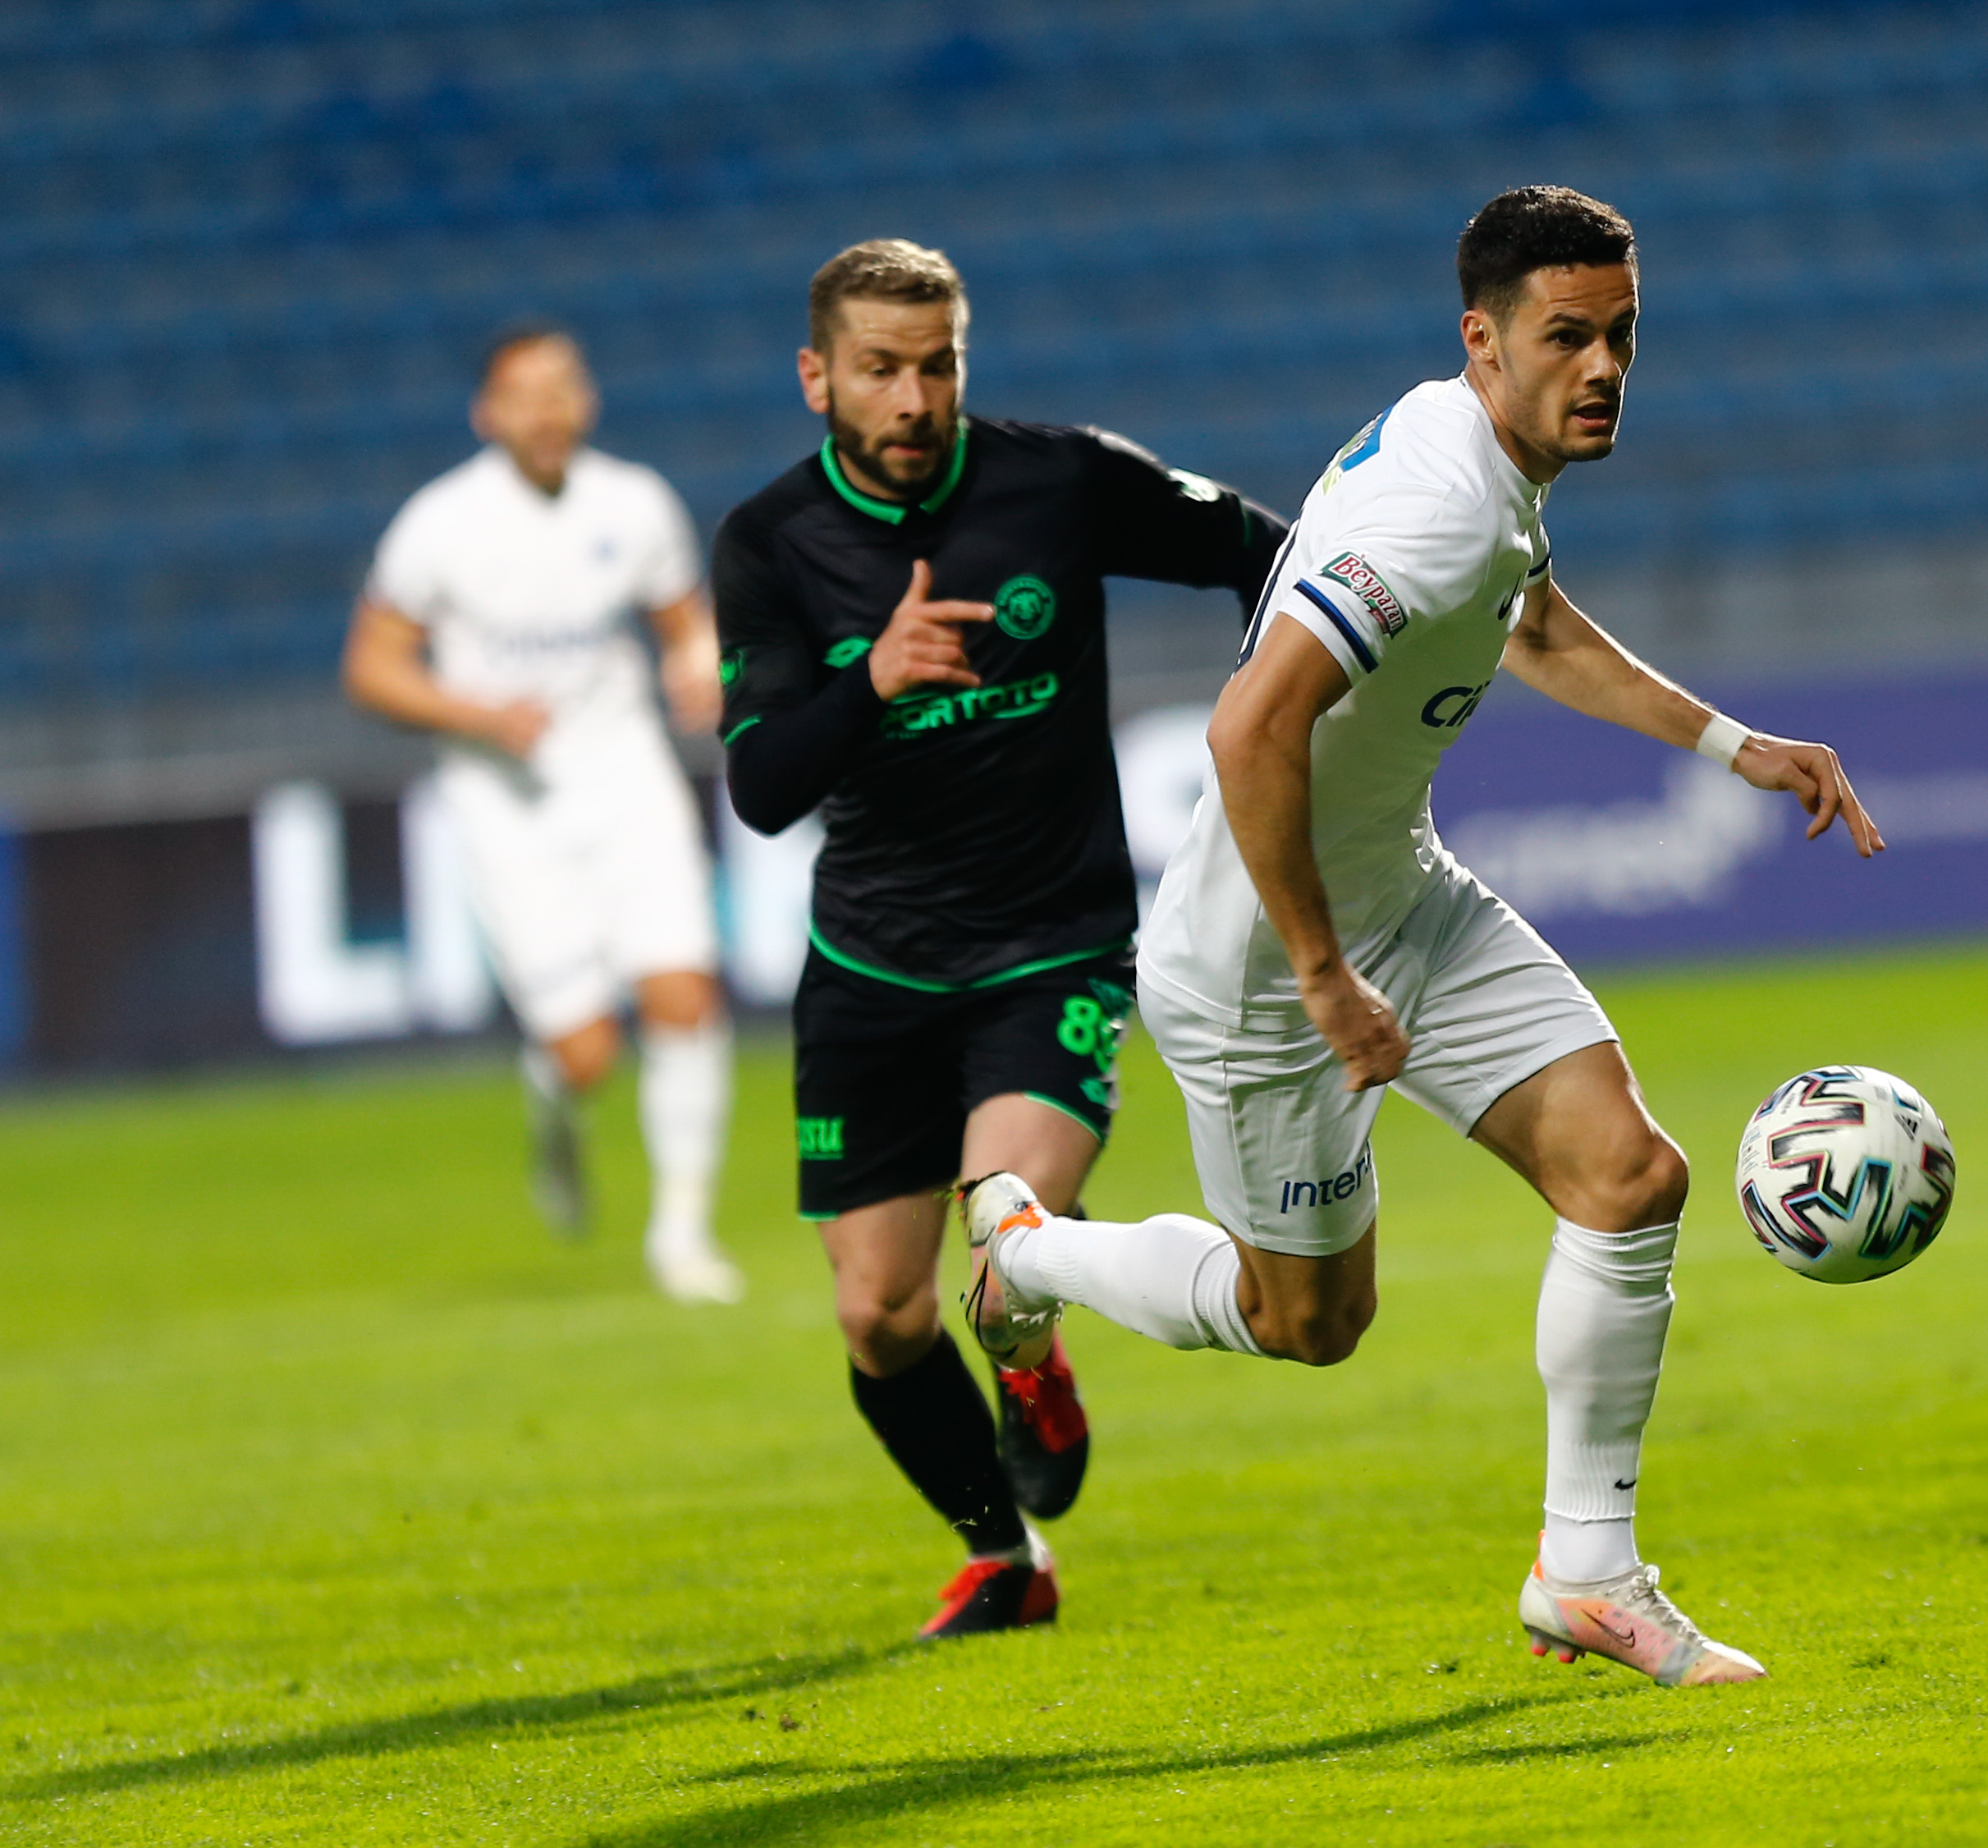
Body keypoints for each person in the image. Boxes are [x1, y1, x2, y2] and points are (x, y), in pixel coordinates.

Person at [957, 186, 1887, 1686]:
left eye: (1621, 335)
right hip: (1264, 970)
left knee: (1628, 1174)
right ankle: (1029, 1248)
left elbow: (1533, 623)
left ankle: (1587, 1573)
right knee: (1305, 1321)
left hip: (1402, 893)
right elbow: (1248, 727)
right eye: (1566, 336)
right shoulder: (1435, 505)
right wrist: (1322, 974)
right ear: (1483, 340)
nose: (1602, 367)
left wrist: (1734, 744)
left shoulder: (1482, 463)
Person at [712, 240, 1287, 1639]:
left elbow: (1266, 552)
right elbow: (763, 785)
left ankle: (1031, 1357)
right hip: (870, 970)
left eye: (936, 365)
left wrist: (1279, 706)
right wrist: (871, 678)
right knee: (879, 1315)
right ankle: (1004, 1554)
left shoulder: (1058, 479)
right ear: (817, 377)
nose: (912, 399)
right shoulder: (768, 542)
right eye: (878, 370)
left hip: (1050, 950)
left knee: (1003, 1242)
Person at [343, 327, 745, 1305]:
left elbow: (683, 623)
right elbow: (372, 668)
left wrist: (697, 666)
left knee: (683, 992)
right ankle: (555, 1104)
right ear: (487, 413)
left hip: (627, 776)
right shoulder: (441, 524)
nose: (547, 408)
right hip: (506, 804)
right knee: (585, 1050)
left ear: (587, 400)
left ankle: (682, 1235)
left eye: (562, 386)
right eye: (524, 392)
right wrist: (478, 715)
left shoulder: (635, 504)